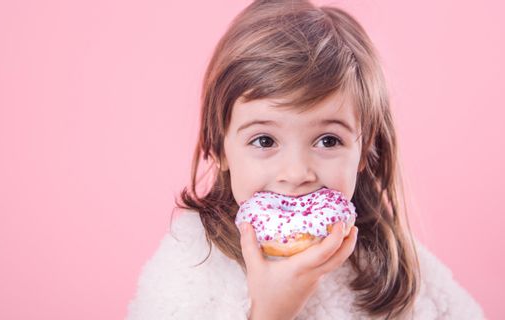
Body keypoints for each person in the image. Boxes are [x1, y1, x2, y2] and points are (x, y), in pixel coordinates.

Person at [126, 1, 485, 319]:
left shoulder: (394, 265)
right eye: (264, 140)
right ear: (219, 148)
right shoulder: (190, 262)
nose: (297, 173)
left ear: (365, 149)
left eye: (328, 140)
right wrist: (270, 313)